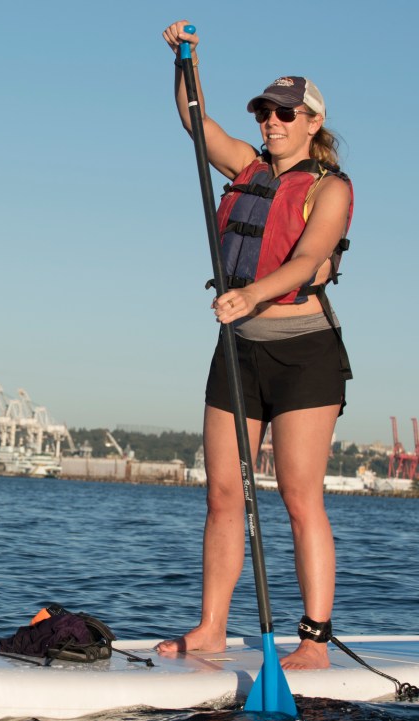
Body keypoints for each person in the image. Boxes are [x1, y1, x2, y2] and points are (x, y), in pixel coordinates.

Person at [157, 21, 354, 670]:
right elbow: (195, 120)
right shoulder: (245, 167)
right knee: (222, 495)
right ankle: (212, 627)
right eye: (265, 111)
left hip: (304, 352)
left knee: (300, 497)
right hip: (239, 350)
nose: (272, 121)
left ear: (312, 121)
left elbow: (309, 261)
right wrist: (186, 60)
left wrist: (252, 294)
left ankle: (315, 643)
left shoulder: (331, 188)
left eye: (285, 113)